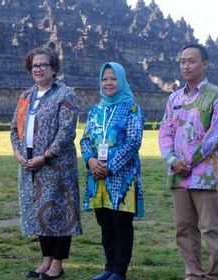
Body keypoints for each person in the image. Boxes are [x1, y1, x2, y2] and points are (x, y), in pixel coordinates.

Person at [158, 44, 218, 280]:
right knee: (184, 228)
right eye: (182, 61)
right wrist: (172, 160)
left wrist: (187, 162)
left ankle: (214, 276)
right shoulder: (174, 98)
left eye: (191, 61)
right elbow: (165, 132)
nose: (186, 66)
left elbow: (215, 135)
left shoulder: (217, 96)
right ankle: (193, 274)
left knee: (211, 229)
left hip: (205, 175)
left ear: (205, 64)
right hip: (178, 175)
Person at [10, 46, 82, 280]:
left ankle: (57, 264)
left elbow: (66, 131)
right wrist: (18, 153)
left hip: (56, 165)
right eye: (34, 65)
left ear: (54, 68)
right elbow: (14, 128)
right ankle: (45, 261)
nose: (38, 69)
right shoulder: (26, 96)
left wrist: (47, 155)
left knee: (58, 212)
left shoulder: (65, 94)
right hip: (29, 163)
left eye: (43, 65)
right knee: (39, 213)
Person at [80, 62, 144, 280]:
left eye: (113, 78)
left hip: (122, 177)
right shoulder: (95, 110)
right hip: (96, 177)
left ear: (122, 81)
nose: (108, 83)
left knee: (121, 223)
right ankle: (108, 267)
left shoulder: (132, 108)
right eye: (105, 79)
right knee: (105, 223)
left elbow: (134, 141)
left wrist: (110, 166)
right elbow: (85, 139)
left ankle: (119, 271)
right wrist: (90, 161)